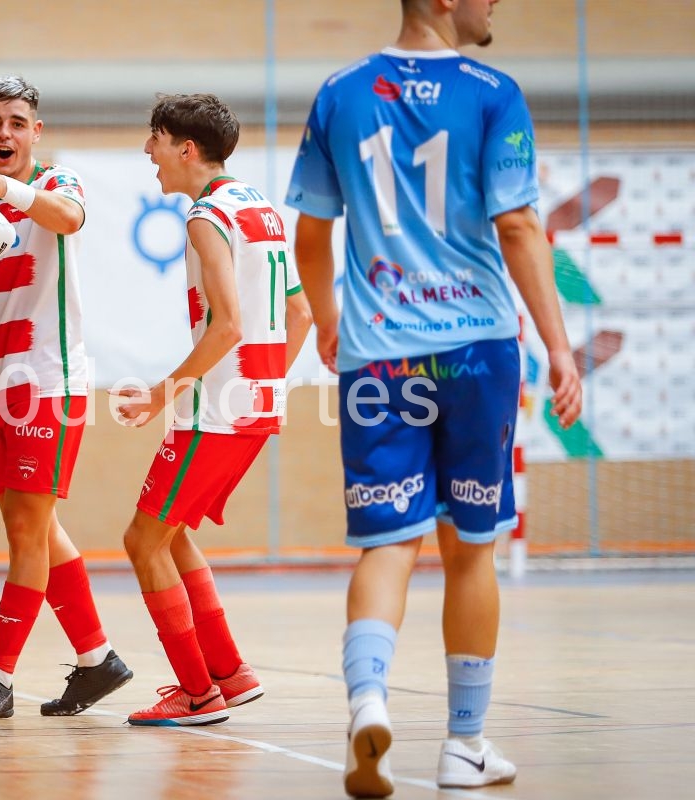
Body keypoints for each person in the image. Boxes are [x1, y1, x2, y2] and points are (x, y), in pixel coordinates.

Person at [286, 1, 582, 795]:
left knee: (388, 543)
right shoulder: (493, 91)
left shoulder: (341, 92)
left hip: (379, 353)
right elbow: (518, 226)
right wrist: (559, 345)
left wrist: (327, 316)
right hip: (476, 349)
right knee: (470, 546)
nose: (497, 4)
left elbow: (310, 235)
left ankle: (369, 700)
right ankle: (464, 745)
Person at [0, 76, 132, 723]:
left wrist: (3, 188)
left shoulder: (55, 186)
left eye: (17, 122)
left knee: (24, 531)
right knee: (38, 528)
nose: (5, 133)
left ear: (36, 132)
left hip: (46, 383)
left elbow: (65, 218)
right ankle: (98, 661)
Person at [113, 93, 312, 726]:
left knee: (143, 540)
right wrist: (267, 383)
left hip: (216, 410)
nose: (150, 152)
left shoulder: (206, 216)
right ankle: (230, 670)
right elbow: (300, 313)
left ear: (186, 148)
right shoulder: (260, 208)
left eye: (156, 140)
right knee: (173, 537)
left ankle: (197, 694)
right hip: (254, 406)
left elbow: (225, 327)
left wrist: (158, 394)